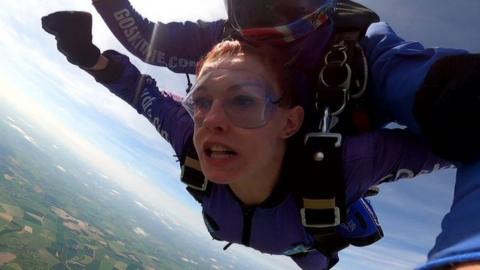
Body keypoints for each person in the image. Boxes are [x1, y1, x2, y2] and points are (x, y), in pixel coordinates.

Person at [42, 11, 454, 270]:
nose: (212, 121)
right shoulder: (193, 137)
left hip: (309, 245)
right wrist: (90, 57)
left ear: (290, 122)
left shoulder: (344, 165)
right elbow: (141, 93)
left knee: (324, 249)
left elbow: (449, 137)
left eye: (242, 101)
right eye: (200, 101)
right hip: (291, 234)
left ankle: (351, 215)